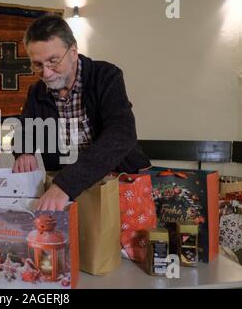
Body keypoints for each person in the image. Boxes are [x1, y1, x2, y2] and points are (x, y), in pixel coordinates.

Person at [12, 14, 150, 211]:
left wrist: (65, 184)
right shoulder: (36, 92)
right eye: (38, 65)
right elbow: (24, 130)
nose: (47, 73)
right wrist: (24, 151)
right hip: (70, 191)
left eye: (53, 61)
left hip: (120, 183)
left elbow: (122, 134)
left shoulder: (106, 76)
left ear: (73, 52)